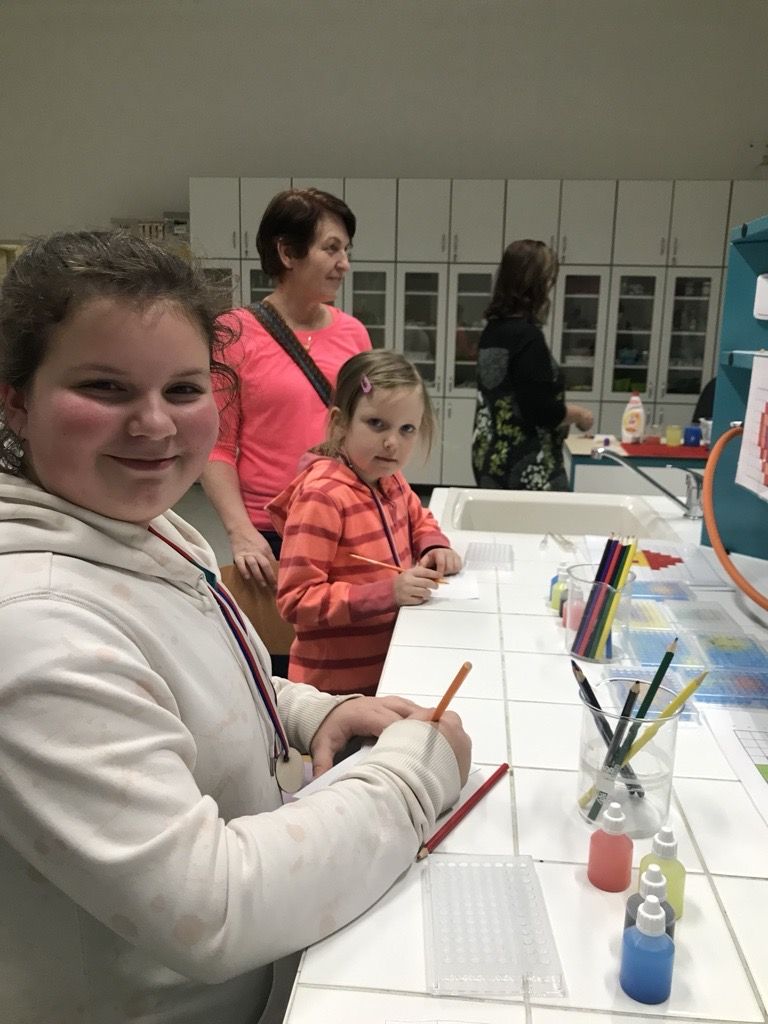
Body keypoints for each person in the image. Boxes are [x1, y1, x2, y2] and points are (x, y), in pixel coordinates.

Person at [0, 232, 471, 1024]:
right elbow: (208, 906)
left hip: (261, 974)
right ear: (16, 399)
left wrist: (312, 711)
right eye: (105, 387)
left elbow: (205, 672)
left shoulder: (145, 528)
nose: (155, 424)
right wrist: (416, 775)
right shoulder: (35, 628)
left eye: (184, 389)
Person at [201, 188, 371, 592]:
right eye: (331, 249)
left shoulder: (354, 334)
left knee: (348, 628)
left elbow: (368, 429)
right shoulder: (233, 333)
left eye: (346, 250)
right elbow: (215, 447)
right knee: (278, 635)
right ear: (288, 252)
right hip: (271, 531)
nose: (344, 264)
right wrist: (241, 532)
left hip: (342, 520)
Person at [268, 351, 462, 696]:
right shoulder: (323, 497)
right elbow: (296, 600)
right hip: (335, 692)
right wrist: (388, 593)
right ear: (341, 422)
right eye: (376, 424)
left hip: (387, 672)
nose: (392, 442)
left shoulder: (390, 479)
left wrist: (434, 545)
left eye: (407, 429)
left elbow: (419, 519)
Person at [472, 239, 594, 491]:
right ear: (535, 286)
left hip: (490, 458)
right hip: (526, 464)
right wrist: (580, 414)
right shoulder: (527, 337)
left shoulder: (493, 331)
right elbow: (541, 410)